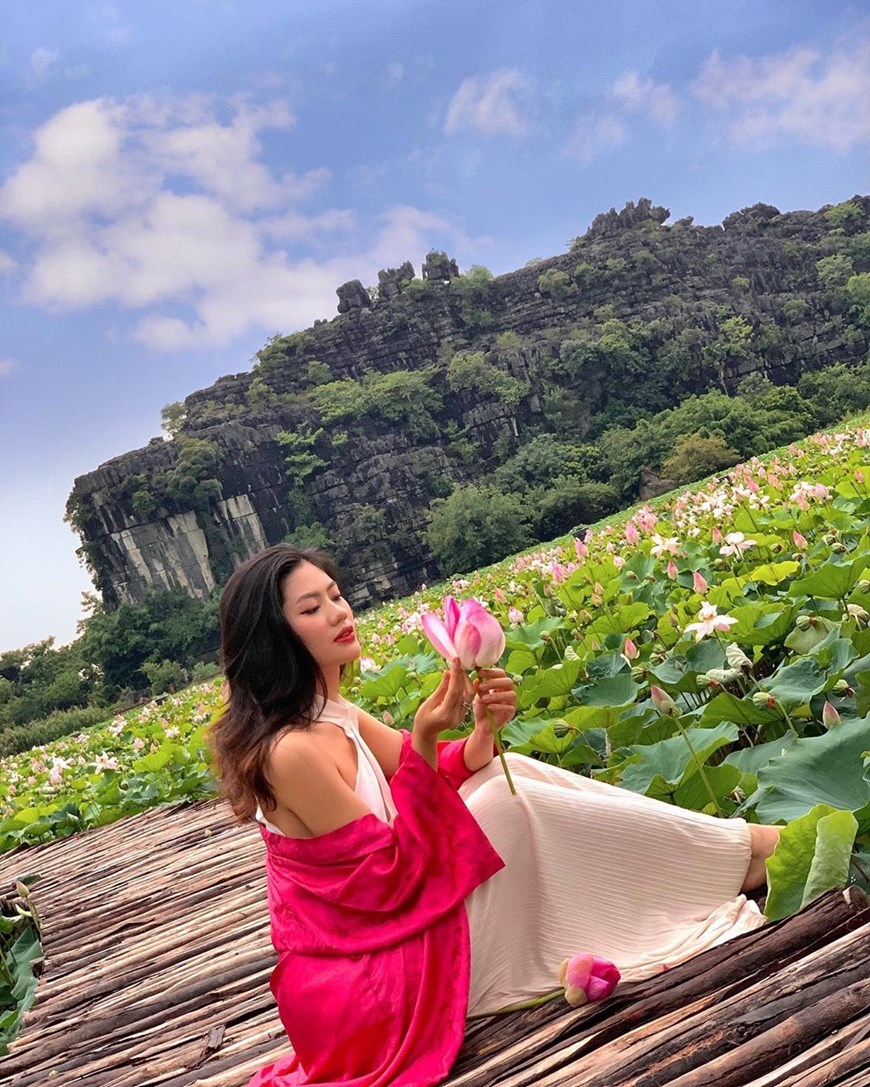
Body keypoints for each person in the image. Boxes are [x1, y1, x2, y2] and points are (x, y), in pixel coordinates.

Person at [211, 544, 780, 1087]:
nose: (338, 613)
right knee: (507, 803)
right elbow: (385, 878)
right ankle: (747, 853)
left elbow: (437, 773)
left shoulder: (332, 713)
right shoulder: (291, 752)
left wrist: (481, 732)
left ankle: (740, 849)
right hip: (378, 980)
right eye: (312, 609)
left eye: (335, 595)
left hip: (400, 927)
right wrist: (428, 737)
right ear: (273, 639)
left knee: (507, 775)